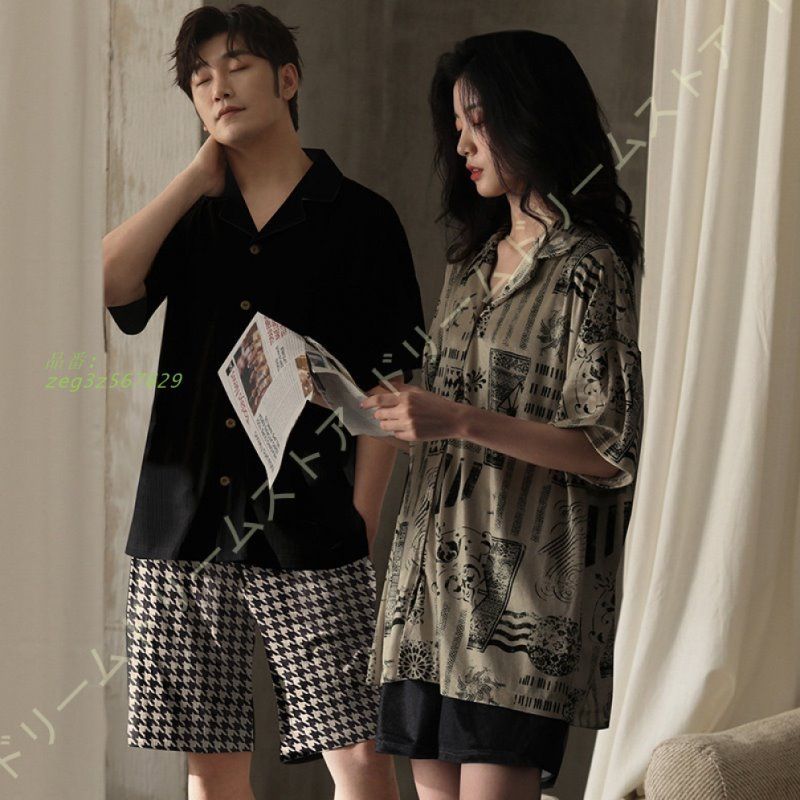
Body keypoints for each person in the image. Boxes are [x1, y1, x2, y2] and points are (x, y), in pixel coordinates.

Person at [103, 5, 425, 799]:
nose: (218, 86)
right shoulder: (193, 216)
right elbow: (107, 282)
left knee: (359, 757)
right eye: (199, 78)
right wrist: (192, 179)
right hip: (183, 524)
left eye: (237, 65)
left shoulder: (362, 220)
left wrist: (360, 519)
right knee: (209, 769)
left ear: (287, 79)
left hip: (309, 519)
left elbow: (389, 385)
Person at [361, 30, 645, 800]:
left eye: (476, 122)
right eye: (456, 126)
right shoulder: (470, 267)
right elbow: (452, 419)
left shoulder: (588, 266)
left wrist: (457, 419)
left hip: (518, 610)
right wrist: (383, 411)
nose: (460, 145)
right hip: (425, 600)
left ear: (529, 117)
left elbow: (609, 446)